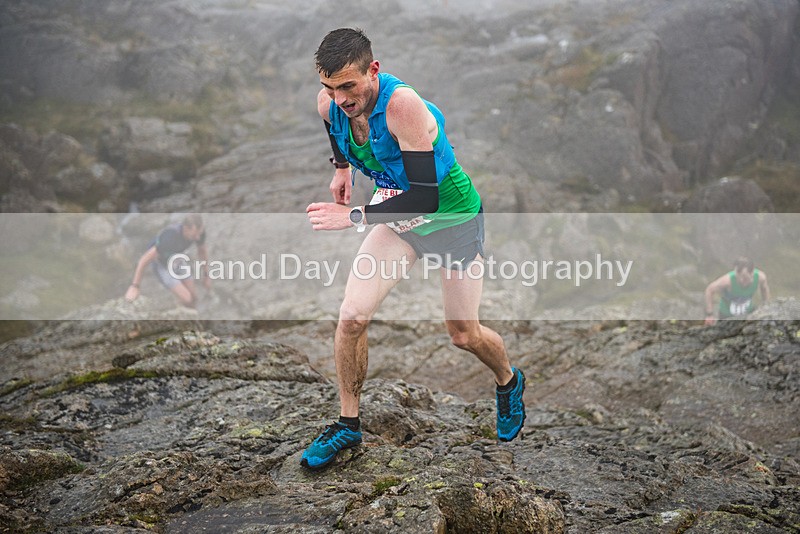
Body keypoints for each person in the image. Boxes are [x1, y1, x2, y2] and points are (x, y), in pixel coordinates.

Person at [302, 28, 526, 470]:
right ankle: (348, 424)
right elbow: (335, 130)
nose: (340, 98)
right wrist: (341, 168)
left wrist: (354, 216)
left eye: (348, 86)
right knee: (352, 317)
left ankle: (508, 379)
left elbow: (425, 197)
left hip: (451, 219)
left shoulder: (402, 107)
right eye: (330, 87)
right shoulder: (329, 104)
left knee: (464, 334)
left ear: (373, 70)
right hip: (399, 218)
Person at [125, 214, 210, 308]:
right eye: (194, 235)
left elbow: (202, 252)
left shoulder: (199, 233)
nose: (197, 238)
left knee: (194, 298)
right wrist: (135, 286)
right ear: (185, 228)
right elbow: (143, 261)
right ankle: (176, 310)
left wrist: (206, 275)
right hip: (162, 265)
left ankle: (185, 310)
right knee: (187, 299)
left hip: (178, 259)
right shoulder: (169, 237)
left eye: (199, 234)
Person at [704, 257, 770, 326]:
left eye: (744, 277)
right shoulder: (727, 281)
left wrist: (766, 305)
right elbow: (709, 290)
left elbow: (764, 289)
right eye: (738, 277)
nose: (741, 280)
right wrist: (709, 314)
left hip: (748, 312)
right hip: (727, 315)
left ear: (752, 272)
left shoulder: (760, 277)